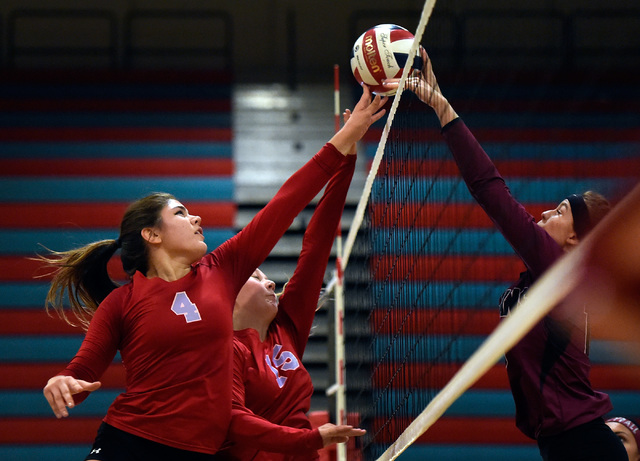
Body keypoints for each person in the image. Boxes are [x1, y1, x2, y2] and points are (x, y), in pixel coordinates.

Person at [40, 85, 387, 461]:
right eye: (181, 213)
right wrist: (63, 382)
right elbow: (83, 371)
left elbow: (287, 202)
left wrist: (346, 138)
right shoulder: (122, 302)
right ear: (152, 234)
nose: (196, 217)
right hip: (128, 440)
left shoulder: (222, 269)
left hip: (197, 453)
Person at [382, 51, 627, 460]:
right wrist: (439, 100)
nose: (546, 212)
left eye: (561, 211)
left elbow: (490, 190)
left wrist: (442, 108)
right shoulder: (547, 279)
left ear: (575, 242)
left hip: (583, 443)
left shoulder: (558, 270)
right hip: (567, 440)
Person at [221, 107, 360, 460]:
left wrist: (347, 160)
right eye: (255, 276)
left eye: (266, 276)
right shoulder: (226, 352)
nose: (270, 283)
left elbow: (316, 246)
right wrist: (309, 440)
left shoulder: (287, 327)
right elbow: (234, 421)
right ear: (228, 298)